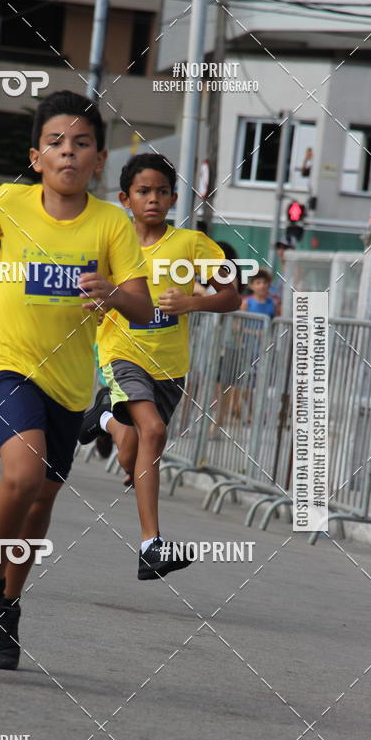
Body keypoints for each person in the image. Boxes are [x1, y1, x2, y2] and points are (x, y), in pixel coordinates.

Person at [0, 89, 153, 671]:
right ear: (36, 157)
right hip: (3, 360)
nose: (68, 154)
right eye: (56, 144)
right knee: (22, 474)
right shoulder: (9, 203)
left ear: (99, 159)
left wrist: (115, 293)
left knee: (41, 500)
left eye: (81, 144)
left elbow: (145, 306)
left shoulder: (112, 225)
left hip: (69, 382)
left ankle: (9, 607)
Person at [78, 153, 240, 579]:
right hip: (120, 353)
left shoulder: (191, 245)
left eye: (162, 192)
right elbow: (86, 293)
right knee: (154, 431)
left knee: (134, 455)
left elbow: (232, 295)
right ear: (125, 198)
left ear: (172, 198)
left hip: (169, 368)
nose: (153, 199)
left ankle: (107, 417)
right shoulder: (110, 241)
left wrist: (195, 301)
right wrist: (100, 301)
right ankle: (152, 546)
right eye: (143, 191)